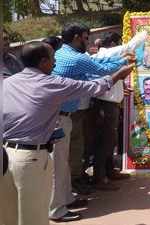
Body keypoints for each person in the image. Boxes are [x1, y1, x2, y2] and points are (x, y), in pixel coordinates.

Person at [0, 41, 133, 225]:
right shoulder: (51, 83)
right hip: (31, 159)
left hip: (6, 156)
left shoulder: (8, 82)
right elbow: (91, 87)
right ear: (43, 61)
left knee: (9, 216)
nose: (55, 64)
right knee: (33, 216)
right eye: (52, 59)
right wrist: (118, 75)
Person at [49, 23, 130, 222]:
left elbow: (92, 75)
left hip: (63, 115)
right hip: (58, 117)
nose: (87, 42)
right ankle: (56, 210)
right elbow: (102, 69)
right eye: (86, 38)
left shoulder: (64, 54)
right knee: (58, 166)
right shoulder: (74, 58)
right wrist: (124, 61)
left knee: (64, 163)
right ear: (77, 37)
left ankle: (66, 199)